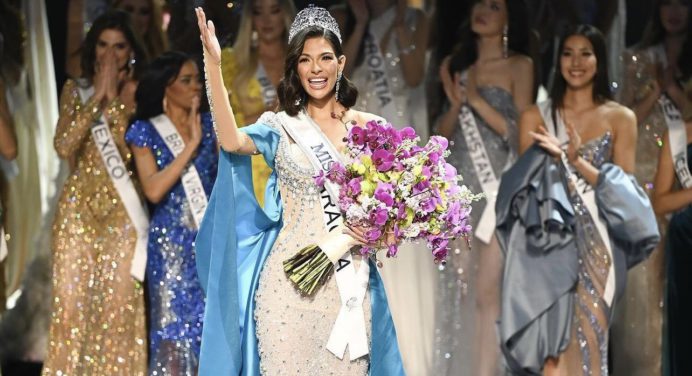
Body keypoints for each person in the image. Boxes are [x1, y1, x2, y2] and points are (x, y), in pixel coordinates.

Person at [194, 5, 403, 375]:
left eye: (325, 58)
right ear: (296, 67)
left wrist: (377, 231)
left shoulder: (372, 131)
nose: (316, 69)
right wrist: (213, 66)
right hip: (287, 290)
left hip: (349, 291)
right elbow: (230, 141)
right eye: (305, 60)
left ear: (341, 63)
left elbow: (394, 223)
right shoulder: (281, 127)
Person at [497, 24, 658, 375]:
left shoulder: (621, 118)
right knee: (549, 349)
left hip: (598, 246)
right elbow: (524, 190)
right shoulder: (535, 117)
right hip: (548, 243)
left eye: (586, 53)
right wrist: (550, 161)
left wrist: (575, 161)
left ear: (599, 61)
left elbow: (626, 194)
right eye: (568, 53)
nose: (576, 62)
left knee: (589, 339)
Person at [43, 10, 149, 375]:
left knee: (116, 310)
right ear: (93, 48)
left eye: (119, 47)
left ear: (131, 51)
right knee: (70, 308)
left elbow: (136, 153)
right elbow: (63, 146)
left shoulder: (143, 92)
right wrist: (96, 101)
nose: (110, 54)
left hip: (123, 215)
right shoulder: (76, 89)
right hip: (76, 213)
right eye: (103, 45)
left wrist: (118, 104)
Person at [432, 1, 533, 375]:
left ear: (508, 18)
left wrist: (475, 98)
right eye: (480, 2)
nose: (483, 10)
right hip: (459, 192)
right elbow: (440, 139)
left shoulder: (519, 66)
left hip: (497, 194)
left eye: (495, 5)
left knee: (487, 293)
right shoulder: (456, 67)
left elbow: (520, 136)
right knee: (458, 292)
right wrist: (458, 103)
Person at [125, 51, 216, 375]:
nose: (196, 87)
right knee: (172, 332)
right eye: (186, 80)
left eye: (198, 80)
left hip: (206, 242)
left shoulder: (211, 124)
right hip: (170, 248)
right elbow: (153, 189)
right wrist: (190, 145)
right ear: (166, 86)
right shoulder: (144, 130)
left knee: (209, 331)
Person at [613, 2, 691, 373]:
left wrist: (675, 89)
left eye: (683, 3)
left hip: (683, 173)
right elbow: (623, 119)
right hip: (642, 176)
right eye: (667, 3)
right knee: (644, 287)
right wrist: (656, 90)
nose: (674, 11)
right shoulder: (636, 59)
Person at [220, 0, 295, 206]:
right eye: (258, 12)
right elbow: (227, 129)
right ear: (250, 18)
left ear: (285, 14)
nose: (266, 20)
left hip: (298, 162)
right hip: (253, 169)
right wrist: (274, 110)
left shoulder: (302, 60)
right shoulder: (230, 62)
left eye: (275, 10)